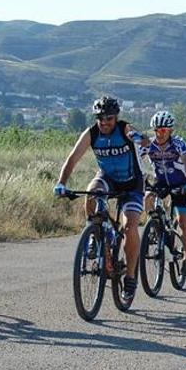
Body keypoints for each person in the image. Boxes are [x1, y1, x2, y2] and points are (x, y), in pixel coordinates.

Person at [54, 96, 149, 302]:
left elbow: (140, 138)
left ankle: (131, 277)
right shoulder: (91, 133)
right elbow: (72, 158)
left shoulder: (124, 129)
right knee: (91, 193)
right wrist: (61, 182)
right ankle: (94, 233)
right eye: (101, 118)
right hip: (108, 178)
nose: (105, 122)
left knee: (130, 227)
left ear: (116, 118)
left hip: (132, 183)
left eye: (109, 118)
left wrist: (138, 137)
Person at [144, 111, 186, 275]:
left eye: (163, 131)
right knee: (147, 198)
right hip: (160, 183)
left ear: (170, 131)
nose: (159, 134)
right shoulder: (150, 145)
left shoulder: (179, 143)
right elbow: (137, 160)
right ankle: (154, 228)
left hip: (180, 184)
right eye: (157, 130)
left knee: (182, 222)